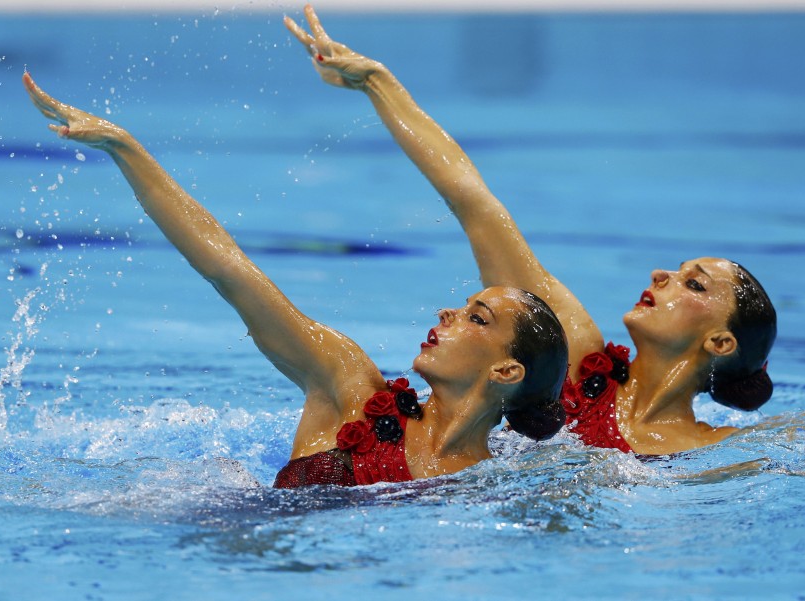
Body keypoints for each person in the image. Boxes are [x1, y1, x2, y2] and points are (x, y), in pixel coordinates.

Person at [23, 62, 569, 487]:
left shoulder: (497, 485)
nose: (447, 312)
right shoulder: (348, 384)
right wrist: (126, 149)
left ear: (506, 371)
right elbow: (228, 269)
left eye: (478, 317)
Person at [284, 4, 776, 456]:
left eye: (693, 284)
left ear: (721, 343)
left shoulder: (721, 451)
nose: (660, 274)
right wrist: (377, 83)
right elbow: (474, 202)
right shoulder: (572, 352)